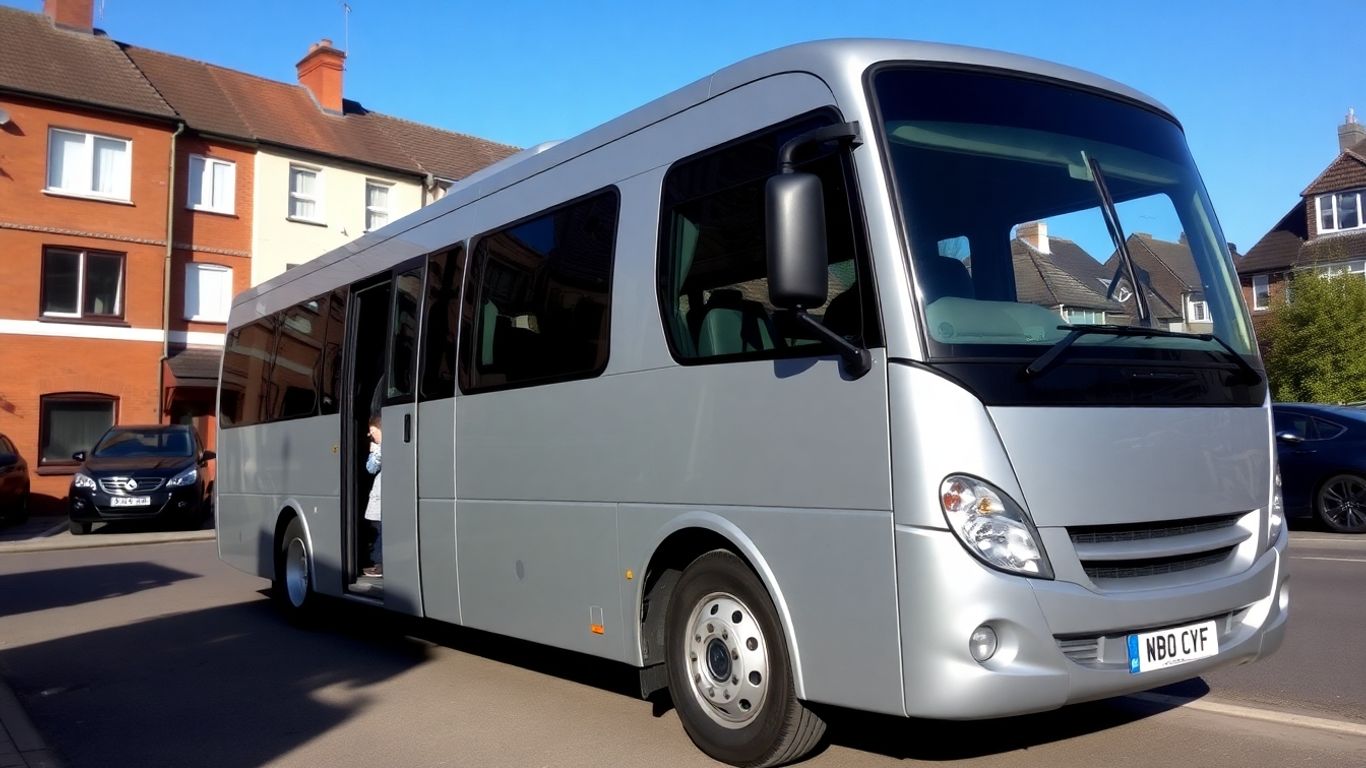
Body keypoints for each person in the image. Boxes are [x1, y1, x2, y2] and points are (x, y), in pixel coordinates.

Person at [363, 415, 383, 577]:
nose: (370, 435)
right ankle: (378, 562)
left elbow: (371, 468)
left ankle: (379, 564)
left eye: (372, 431)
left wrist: (375, 452)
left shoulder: (380, 449)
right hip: (380, 497)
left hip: (381, 498)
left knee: (379, 529)